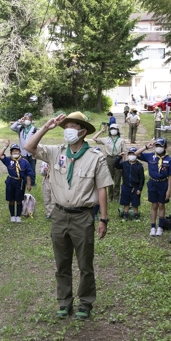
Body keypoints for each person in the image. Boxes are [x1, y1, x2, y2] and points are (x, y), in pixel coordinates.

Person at [25, 112, 113, 321]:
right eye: (66, 127)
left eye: (72, 126)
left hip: (83, 216)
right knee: (62, 263)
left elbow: (102, 188)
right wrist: (46, 127)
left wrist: (103, 219)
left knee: (85, 264)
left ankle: (85, 303)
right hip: (60, 215)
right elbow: (29, 148)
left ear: (82, 132)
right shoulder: (56, 152)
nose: (67, 130)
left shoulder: (95, 157)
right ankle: (64, 302)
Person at [135, 137, 171, 237]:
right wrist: (146, 147)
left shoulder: (169, 159)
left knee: (161, 205)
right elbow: (136, 154)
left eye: (160, 146)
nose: (158, 148)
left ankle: (160, 227)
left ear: (165, 147)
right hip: (152, 183)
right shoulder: (150, 156)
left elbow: (170, 176)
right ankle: (153, 227)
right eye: (157, 146)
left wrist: (169, 190)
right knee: (154, 206)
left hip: (163, 184)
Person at [0, 141, 33, 222]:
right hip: (10, 181)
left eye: (17, 151)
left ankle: (18, 215)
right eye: (13, 151)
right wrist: (5, 147)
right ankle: (12, 216)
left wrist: (29, 184)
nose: (15, 152)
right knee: (11, 200)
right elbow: (0, 155)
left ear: (20, 152)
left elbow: (28, 174)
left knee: (19, 199)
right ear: (11, 152)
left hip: (20, 182)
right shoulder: (8, 160)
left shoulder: (24, 161)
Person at [92, 123, 127, 202]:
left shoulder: (121, 140)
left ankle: (116, 197)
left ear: (117, 130)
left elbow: (124, 152)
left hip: (118, 159)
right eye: (111, 129)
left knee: (117, 179)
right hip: (109, 159)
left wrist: (123, 164)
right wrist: (101, 131)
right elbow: (94, 138)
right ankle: (110, 197)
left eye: (114, 129)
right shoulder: (106, 139)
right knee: (109, 178)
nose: (113, 130)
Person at [114, 147, 145, 222]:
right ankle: (125, 215)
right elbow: (116, 165)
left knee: (135, 203)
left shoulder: (139, 166)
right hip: (125, 186)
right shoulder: (124, 164)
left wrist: (140, 189)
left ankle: (136, 216)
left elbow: (142, 178)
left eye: (133, 154)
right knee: (125, 202)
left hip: (135, 187)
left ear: (136, 155)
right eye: (130, 154)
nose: (131, 155)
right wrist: (119, 157)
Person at [10, 113, 38, 186]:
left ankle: (32, 182)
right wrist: (19, 121)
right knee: (23, 167)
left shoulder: (34, 129)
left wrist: (35, 151)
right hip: (23, 151)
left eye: (28, 119)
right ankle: (24, 181)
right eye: (25, 119)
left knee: (32, 167)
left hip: (31, 152)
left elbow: (38, 141)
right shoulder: (20, 128)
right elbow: (12, 127)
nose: (27, 121)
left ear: (31, 120)